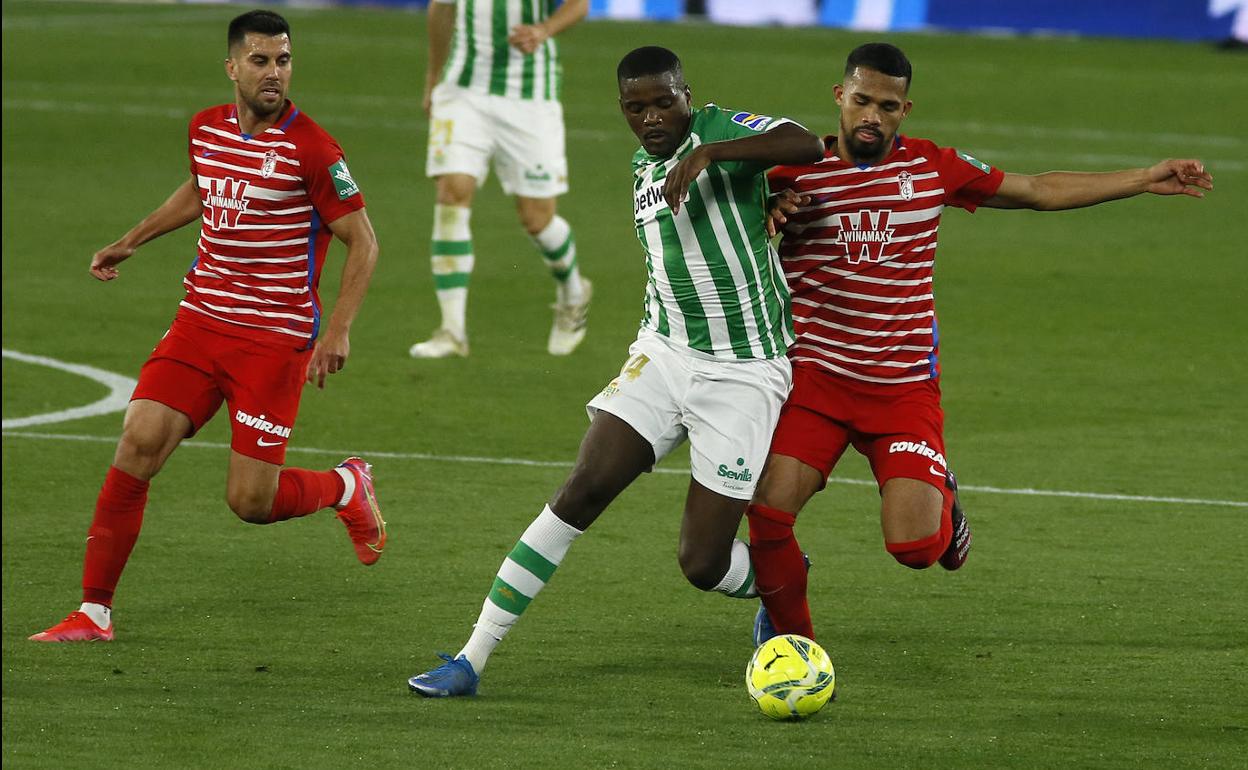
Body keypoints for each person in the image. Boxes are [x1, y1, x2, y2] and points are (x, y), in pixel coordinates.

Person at [748, 42, 1214, 645]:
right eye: (861, 100)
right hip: (816, 382)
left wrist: (1144, 178)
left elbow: (1037, 189)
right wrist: (763, 212)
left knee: (917, 549)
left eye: (887, 106)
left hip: (902, 392)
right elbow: (718, 233)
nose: (872, 116)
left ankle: (945, 495)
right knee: (767, 514)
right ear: (840, 97)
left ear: (904, 109)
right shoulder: (788, 174)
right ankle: (792, 645)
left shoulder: (932, 168)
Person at [407, 46, 824, 696]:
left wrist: (714, 155)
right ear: (623, 110)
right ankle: (470, 659)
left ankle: (780, 580)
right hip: (664, 355)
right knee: (581, 490)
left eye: (665, 101)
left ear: (688, 94)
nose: (653, 117)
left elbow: (806, 144)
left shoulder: (723, 129)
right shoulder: (641, 169)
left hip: (743, 374)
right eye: (637, 107)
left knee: (702, 562)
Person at [29, 10, 386, 643]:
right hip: (200, 321)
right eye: (260, 61)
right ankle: (93, 612)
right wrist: (131, 239)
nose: (274, 73)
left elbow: (363, 241)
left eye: (283, 60)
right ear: (232, 67)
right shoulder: (206, 128)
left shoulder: (315, 149)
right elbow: (200, 190)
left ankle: (343, 485)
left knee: (251, 502)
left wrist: (339, 331)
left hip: (272, 341)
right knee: (137, 442)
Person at [409, 0, 594, 359]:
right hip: (463, 91)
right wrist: (434, 78)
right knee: (452, 192)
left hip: (530, 97)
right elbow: (441, 9)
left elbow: (579, 5)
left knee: (536, 219)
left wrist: (543, 30)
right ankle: (451, 330)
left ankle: (573, 292)